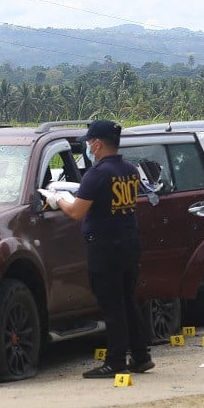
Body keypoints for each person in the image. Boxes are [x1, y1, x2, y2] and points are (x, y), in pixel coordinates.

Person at [40, 119, 155, 378]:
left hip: (105, 246)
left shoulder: (97, 174)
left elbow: (78, 211)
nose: (89, 147)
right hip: (128, 242)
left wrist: (58, 199)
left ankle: (115, 361)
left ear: (98, 143)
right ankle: (141, 355)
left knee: (111, 304)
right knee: (127, 299)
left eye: (91, 142)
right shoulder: (130, 169)